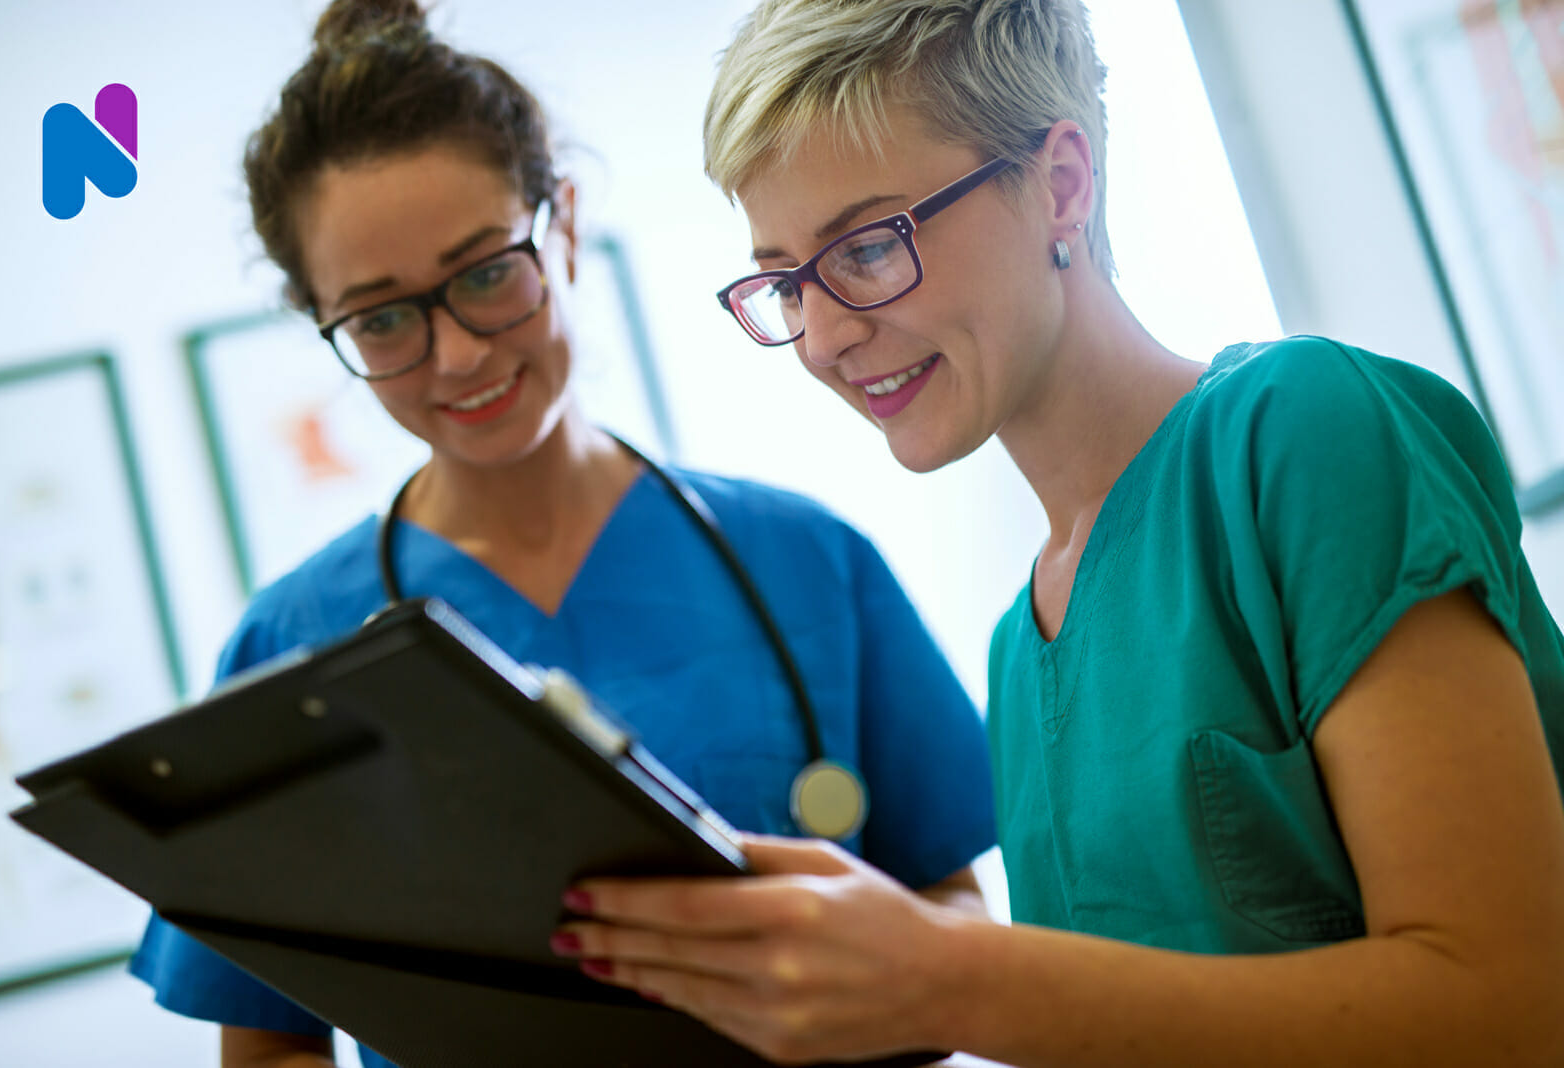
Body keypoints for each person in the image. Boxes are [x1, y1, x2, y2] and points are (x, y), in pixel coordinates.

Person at [554, 1, 1564, 1064]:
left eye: (864, 246)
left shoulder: (1300, 433)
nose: (825, 336)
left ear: (1061, 184)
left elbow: (1509, 1000)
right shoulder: (1020, 645)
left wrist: (947, 977)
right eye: (786, 280)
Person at [126, 2, 999, 1065]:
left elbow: (953, 917)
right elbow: (269, 1044)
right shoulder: (290, 649)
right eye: (383, 318)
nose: (454, 356)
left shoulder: (807, 560)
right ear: (326, 322)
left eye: (487, 272)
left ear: (565, 224)